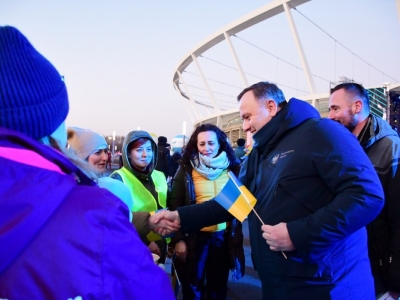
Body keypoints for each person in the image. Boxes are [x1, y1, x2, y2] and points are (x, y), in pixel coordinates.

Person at [153, 81, 385, 299]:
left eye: (247, 117)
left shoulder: (322, 133)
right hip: (279, 282)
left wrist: (298, 234)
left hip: (326, 285)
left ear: (271, 107)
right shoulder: (259, 153)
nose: (244, 126)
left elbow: (366, 196)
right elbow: (233, 202)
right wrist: (181, 217)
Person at [0, 26, 175, 299]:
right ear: (50, 122)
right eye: (98, 153)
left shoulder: (158, 177)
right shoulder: (95, 211)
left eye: (148, 150)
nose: (105, 157)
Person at [329, 82, 400, 298]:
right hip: (351, 262)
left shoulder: (390, 148)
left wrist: (396, 279)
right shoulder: (342, 147)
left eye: (335, 108)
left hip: (380, 270)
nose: (330, 116)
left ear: (357, 106)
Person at [168, 123, 244, 300]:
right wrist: (178, 239)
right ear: (196, 145)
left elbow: (241, 204)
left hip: (222, 238)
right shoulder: (186, 168)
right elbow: (174, 205)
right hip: (195, 238)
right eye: (202, 144)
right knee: (192, 288)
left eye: (211, 143)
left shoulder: (233, 168)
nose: (206, 148)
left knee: (218, 289)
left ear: (220, 144)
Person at [110, 130, 169, 263]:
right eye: (139, 150)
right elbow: (117, 220)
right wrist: (145, 242)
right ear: (128, 154)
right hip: (135, 247)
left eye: (149, 149)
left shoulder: (159, 175)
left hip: (161, 244)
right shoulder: (118, 178)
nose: (145, 154)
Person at [67, 127, 134, 221]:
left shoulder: (107, 183)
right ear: (81, 156)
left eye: (106, 151)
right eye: (98, 152)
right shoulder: (73, 189)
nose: (105, 157)